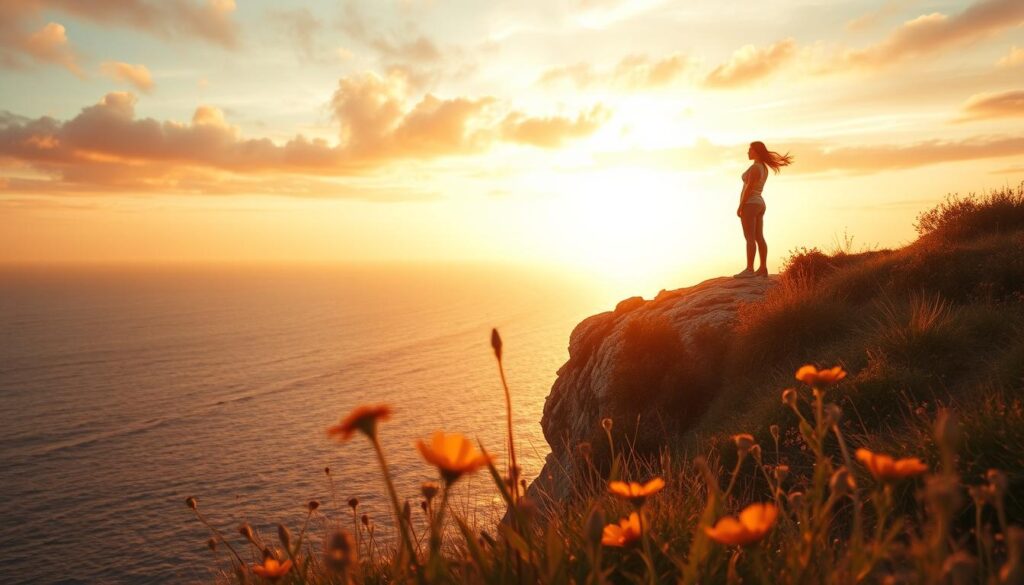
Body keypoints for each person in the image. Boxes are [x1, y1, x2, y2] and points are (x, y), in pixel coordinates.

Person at [734, 141, 793, 278]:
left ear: (756, 152)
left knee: (749, 237)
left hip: (750, 204)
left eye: (750, 150)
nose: (748, 152)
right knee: (759, 237)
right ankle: (763, 268)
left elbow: (748, 188)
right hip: (759, 203)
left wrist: (740, 206)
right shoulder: (763, 168)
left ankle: (749, 269)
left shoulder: (755, 168)